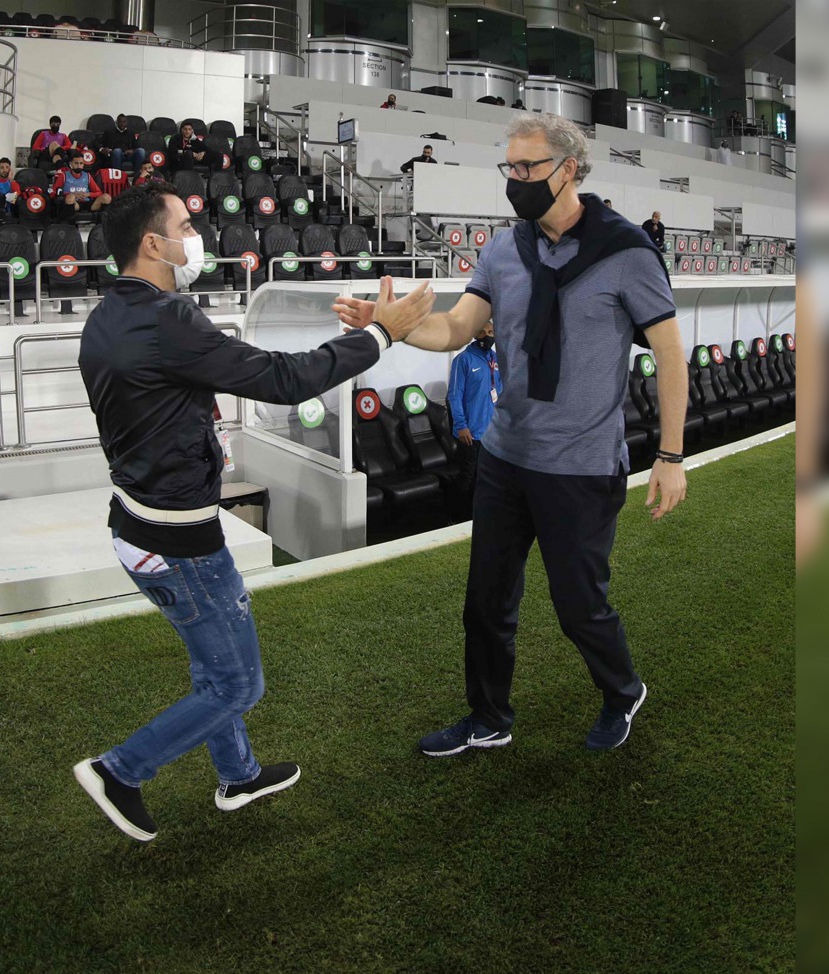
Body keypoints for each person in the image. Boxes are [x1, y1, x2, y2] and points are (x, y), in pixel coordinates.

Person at [73, 184, 436, 842]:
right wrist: (382, 335)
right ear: (152, 243)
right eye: (186, 226)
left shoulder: (108, 316)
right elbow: (284, 379)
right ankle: (119, 770)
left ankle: (239, 775)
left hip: (134, 528)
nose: (198, 236)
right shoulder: (166, 319)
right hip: (179, 543)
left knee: (213, 666)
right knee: (237, 686)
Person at [333, 112, 687, 757]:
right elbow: (456, 329)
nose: (515, 178)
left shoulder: (628, 252)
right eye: (510, 167)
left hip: (581, 465)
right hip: (505, 456)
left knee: (580, 609)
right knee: (486, 604)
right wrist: (392, 327)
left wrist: (670, 454)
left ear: (569, 169)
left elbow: (668, 355)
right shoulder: (504, 249)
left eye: (528, 167)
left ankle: (622, 690)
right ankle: (489, 717)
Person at [447, 321, 501, 514]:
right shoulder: (463, 360)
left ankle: (480, 516)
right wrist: (461, 426)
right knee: (467, 477)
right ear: (474, 334)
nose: (487, 336)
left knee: (488, 477)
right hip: (470, 433)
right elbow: (454, 396)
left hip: (492, 433)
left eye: (491, 332)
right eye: (482, 332)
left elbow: (501, 393)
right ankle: (456, 517)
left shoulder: (497, 360)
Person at [50, 149, 111, 218]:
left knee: (107, 197)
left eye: (81, 163)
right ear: (71, 164)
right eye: (76, 163)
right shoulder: (64, 175)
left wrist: (88, 194)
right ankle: (69, 222)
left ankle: (102, 222)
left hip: (87, 202)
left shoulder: (87, 175)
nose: (79, 166)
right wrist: (73, 194)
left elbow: (98, 192)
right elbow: (55, 192)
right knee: (70, 197)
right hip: (74, 203)